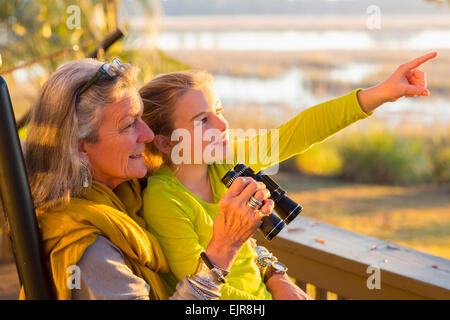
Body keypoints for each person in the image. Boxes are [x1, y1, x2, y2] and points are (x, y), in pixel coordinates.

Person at [139, 52, 437, 300]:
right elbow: (204, 288)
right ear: (166, 142)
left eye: (219, 110)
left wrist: (380, 94)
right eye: (202, 120)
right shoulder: (164, 200)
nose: (222, 125)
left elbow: (297, 133)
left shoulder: (223, 165)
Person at [20, 58, 277, 300]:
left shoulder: (131, 191)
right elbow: (222, 243)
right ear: (80, 147)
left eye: (142, 118)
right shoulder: (89, 251)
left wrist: (274, 273)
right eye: (129, 125)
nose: (148, 134)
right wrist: (224, 248)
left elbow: (221, 239)